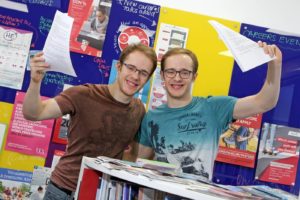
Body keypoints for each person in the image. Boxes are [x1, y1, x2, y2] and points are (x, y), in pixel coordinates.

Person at [23, 43, 157, 199]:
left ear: (148, 78)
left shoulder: (139, 110)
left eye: (143, 72)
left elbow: (131, 156)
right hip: (64, 191)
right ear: (119, 67)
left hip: (101, 194)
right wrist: (35, 81)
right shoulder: (83, 94)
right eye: (131, 68)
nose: (135, 76)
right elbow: (33, 113)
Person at [134, 41, 282, 180]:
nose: (177, 78)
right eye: (171, 71)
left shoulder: (214, 108)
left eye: (185, 72)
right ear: (163, 76)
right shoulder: (152, 118)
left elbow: (264, 103)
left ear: (194, 77)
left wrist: (275, 65)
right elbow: (140, 165)